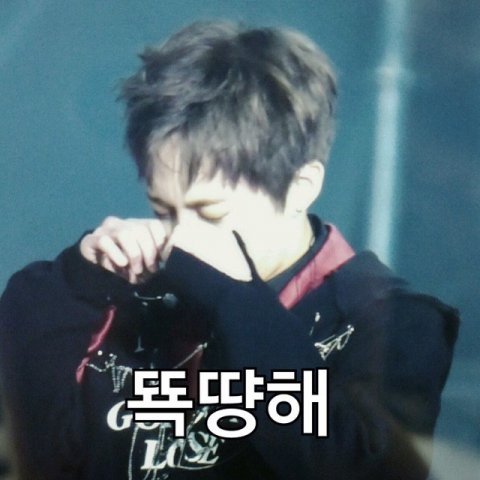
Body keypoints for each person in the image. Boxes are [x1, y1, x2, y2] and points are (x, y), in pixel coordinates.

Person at [0, 20, 458, 480]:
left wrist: (234, 297)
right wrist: (76, 283)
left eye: (210, 212)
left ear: (301, 187)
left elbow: (357, 467)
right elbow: (40, 452)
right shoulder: (135, 293)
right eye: (163, 210)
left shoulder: (393, 322)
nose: (182, 237)